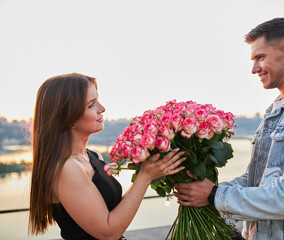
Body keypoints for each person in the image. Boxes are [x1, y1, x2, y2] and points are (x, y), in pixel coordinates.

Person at [174, 18, 284, 239]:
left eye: (260, 57)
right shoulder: (274, 112)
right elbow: (254, 180)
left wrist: (213, 194)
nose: (253, 68)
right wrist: (204, 189)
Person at [29, 73, 186, 240]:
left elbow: (114, 213)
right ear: (68, 118)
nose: (102, 108)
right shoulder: (67, 169)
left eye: (97, 100)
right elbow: (108, 233)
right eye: (91, 105)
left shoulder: (92, 156)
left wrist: (150, 170)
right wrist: (145, 177)